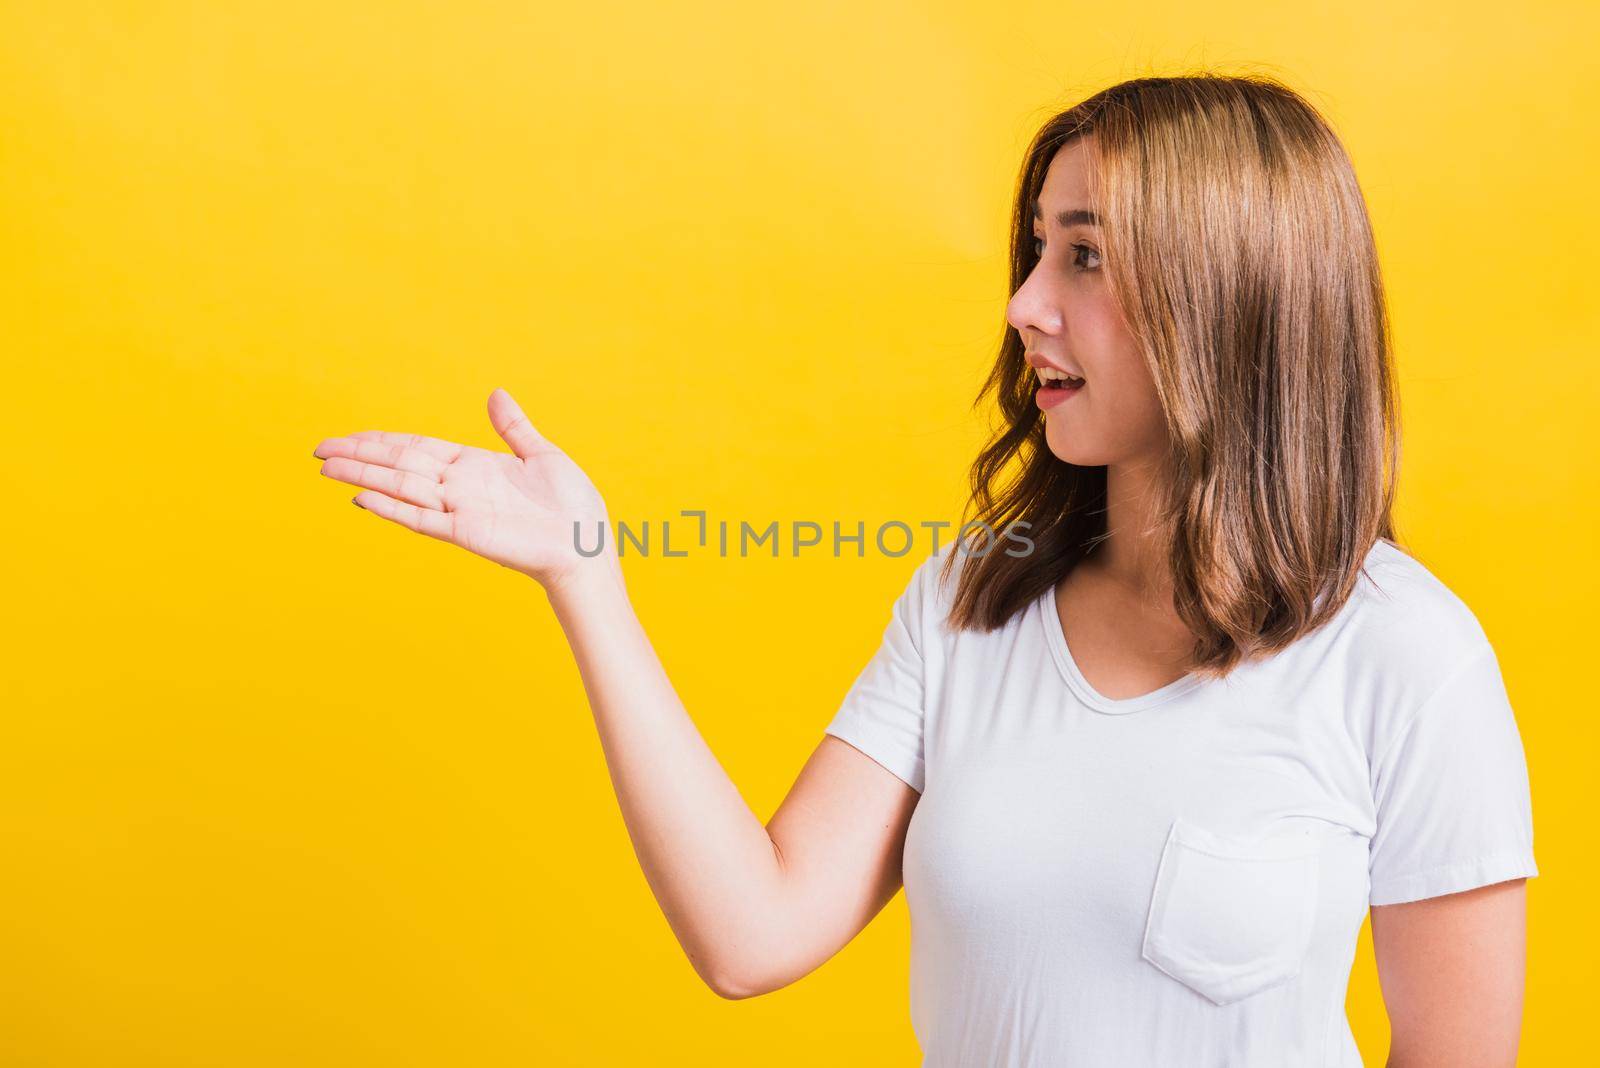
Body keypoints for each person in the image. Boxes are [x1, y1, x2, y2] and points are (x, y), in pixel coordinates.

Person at [310, 73, 1538, 1067]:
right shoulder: (970, 600)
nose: (1022, 304)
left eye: (1085, 259)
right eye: (1037, 252)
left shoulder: (1406, 657)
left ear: (1234, 297)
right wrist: (587, 576)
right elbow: (754, 933)